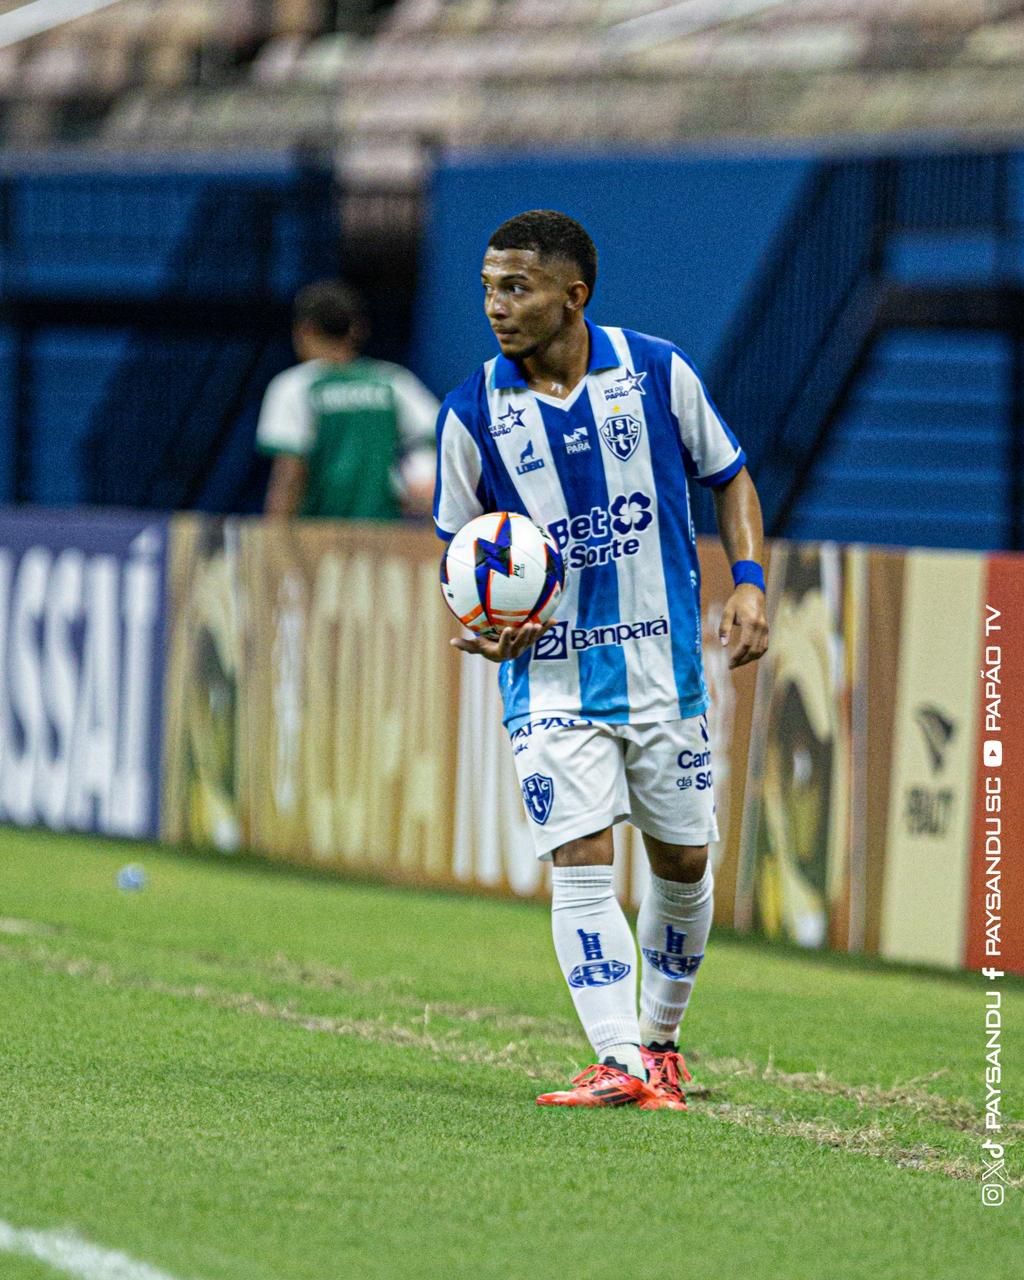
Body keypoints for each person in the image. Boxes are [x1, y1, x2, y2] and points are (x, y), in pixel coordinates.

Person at [433, 210, 769, 1109]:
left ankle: (659, 1040)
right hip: (550, 681)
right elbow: (459, 548)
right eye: (489, 289)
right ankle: (619, 1056)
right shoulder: (470, 413)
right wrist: (484, 624)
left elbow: (729, 475)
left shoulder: (656, 371)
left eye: (518, 287)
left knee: (685, 867)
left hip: (666, 674)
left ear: (572, 295)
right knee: (580, 862)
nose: (498, 307)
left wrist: (747, 583)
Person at [257, 280, 439, 519]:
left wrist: (273, 539)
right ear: (357, 329)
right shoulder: (394, 382)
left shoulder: (294, 386)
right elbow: (446, 440)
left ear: (303, 330)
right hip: (387, 541)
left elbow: (289, 471)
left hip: (317, 538)